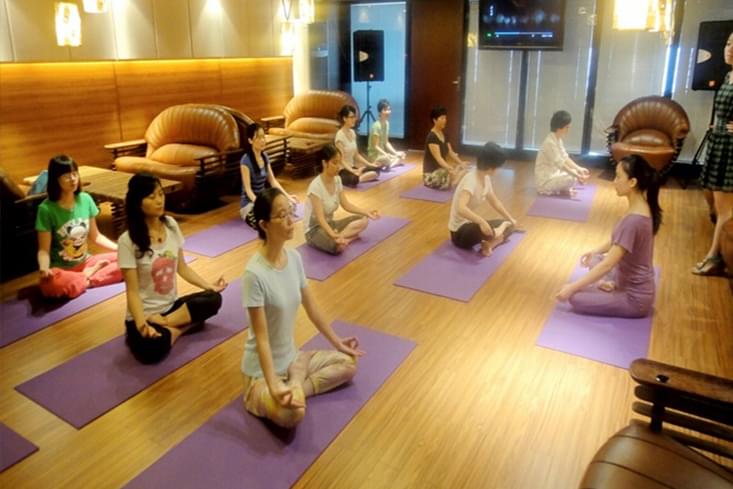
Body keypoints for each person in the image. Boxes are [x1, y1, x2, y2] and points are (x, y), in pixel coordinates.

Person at [241, 187, 364, 428]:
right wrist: (273, 384)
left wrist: (337, 342)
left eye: (290, 212)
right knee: (292, 416)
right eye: (282, 215)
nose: (290, 220)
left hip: (293, 360)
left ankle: (296, 385)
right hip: (261, 374)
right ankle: (291, 388)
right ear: (264, 225)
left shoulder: (294, 259)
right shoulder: (254, 274)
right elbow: (262, 338)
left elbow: (312, 307)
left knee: (348, 364)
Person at [118, 173, 225, 364]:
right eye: (152, 197)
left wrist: (209, 286)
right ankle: (181, 326)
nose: (159, 200)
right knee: (150, 350)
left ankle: (170, 326)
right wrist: (142, 325)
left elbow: (182, 268)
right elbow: (132, 292)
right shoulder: (127, 241)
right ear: (137, 202)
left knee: (213, 299)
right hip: (145, 314)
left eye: (160, 194)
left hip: (171, 309)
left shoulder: (171, 225)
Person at [556, 155, 661, 318]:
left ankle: (610, 286)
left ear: (632, 182)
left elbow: (607, 265)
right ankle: (609, 283)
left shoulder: (633, 221)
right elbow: (618, 240)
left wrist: (572, 288)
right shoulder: (641, 207)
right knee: (594, 258)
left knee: (576, 298)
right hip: (624, 279)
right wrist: (596, 251)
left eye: (618, 177)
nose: (614, 181)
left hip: (634, 299)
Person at [35, 155, 122, 299]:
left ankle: (84, 281)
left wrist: (120, 248)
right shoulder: (46, 209)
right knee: (50, 286)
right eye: (66, 176)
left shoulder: (85, 199)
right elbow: (43, 250)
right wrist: (44, 267)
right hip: (62, 270)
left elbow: (96, 236)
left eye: (75, 173)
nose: (73, 179)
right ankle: (89, 277)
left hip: (86, 262)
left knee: (127, 260)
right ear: (56, 179)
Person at [693, 32, 733, 276]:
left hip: (730, 147)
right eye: (728, 43)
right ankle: (716, 254)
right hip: (720, 142)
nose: (730, 49)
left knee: (726, 209)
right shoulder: (729, 75)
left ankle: (713, 257)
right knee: (718, 206)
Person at [304, 143, 380, 255]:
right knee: (338, 247)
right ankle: (345, 239)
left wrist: (366, 212)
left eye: (339, 162)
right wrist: (333, 235)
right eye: (334, 163)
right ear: (324, 163)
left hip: (330, 224)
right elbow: (320, 219)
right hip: (314, 230)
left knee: (363, 220)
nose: (338, 166)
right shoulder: (315, 187)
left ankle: (343, 238)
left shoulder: (337, 180)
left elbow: (346, 205)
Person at [449, 142, 518, 256]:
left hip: (471, 224)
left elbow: (495, 202)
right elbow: (461, 208)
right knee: (483, 228)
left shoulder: (485, 178)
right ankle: (497, 234)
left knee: (510, 226)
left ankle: (490, 244)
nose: (500, 169)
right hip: (459, 233)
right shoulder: (471, 180)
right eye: (499, 167)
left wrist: (510, 219)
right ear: (491, 167)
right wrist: (481, 221)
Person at [240, 123, 297, 228]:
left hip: (264, 199)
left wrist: (287, 197)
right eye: (258, 137)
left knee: (290, 206)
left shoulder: (265, 156)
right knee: (264, 223)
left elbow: (273, 181)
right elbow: (248, 190)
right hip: (250, 204)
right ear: (250, 140)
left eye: (263, 137)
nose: (262, 140)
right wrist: (261, 205)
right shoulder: (245, 161)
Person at [534, 110, 590, 196]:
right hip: (545, 182)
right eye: (567, 127)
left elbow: (565, 157)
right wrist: (578, 176)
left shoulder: (557, 139)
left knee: (574, 172)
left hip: (554, 175)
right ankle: (555, 189)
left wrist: (579, 169)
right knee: (572, 177)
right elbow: (561, 164)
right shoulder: (549, 143)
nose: (568, 130)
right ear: (559, 127)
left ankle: (564, 189)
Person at [334, 105, 380, 187]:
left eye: (354, 117)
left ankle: (359, 178)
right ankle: (357, 178)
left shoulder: (352, 133)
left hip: (353, 167)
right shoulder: (339, 136)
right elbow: (341, 160)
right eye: (351, 117)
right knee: (354, 178)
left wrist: (370, 164)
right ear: (344, 118)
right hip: (343, 170)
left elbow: (356, 155)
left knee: (376, 170)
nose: (354, 119)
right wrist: (353, 171)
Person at [423, 106, 468, 189]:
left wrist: (461, 163)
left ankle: (455, 180)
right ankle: (454, 181)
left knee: (463, 169)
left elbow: (451, 152)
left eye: (445, 118)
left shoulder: (444, 134)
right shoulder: (432, 137)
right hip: (431, 174)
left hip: (442, 170)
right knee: (453, 172)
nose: (445, 120)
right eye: (442, 118)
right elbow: (439, 158)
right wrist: (450, 169)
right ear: (435, 120)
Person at [367, 99, 406, 168]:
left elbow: (386, 143)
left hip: (382, 154)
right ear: (380, 112)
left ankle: (388, 165)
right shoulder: (376, 126)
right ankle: (388, 164)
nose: (388, 112)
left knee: (402, 154)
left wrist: (395, 153)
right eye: (385, 110)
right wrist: (386, 154)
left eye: (389, 109)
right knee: (387, 159)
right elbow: (376, 146)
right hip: (374, 155)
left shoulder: (387, 124)